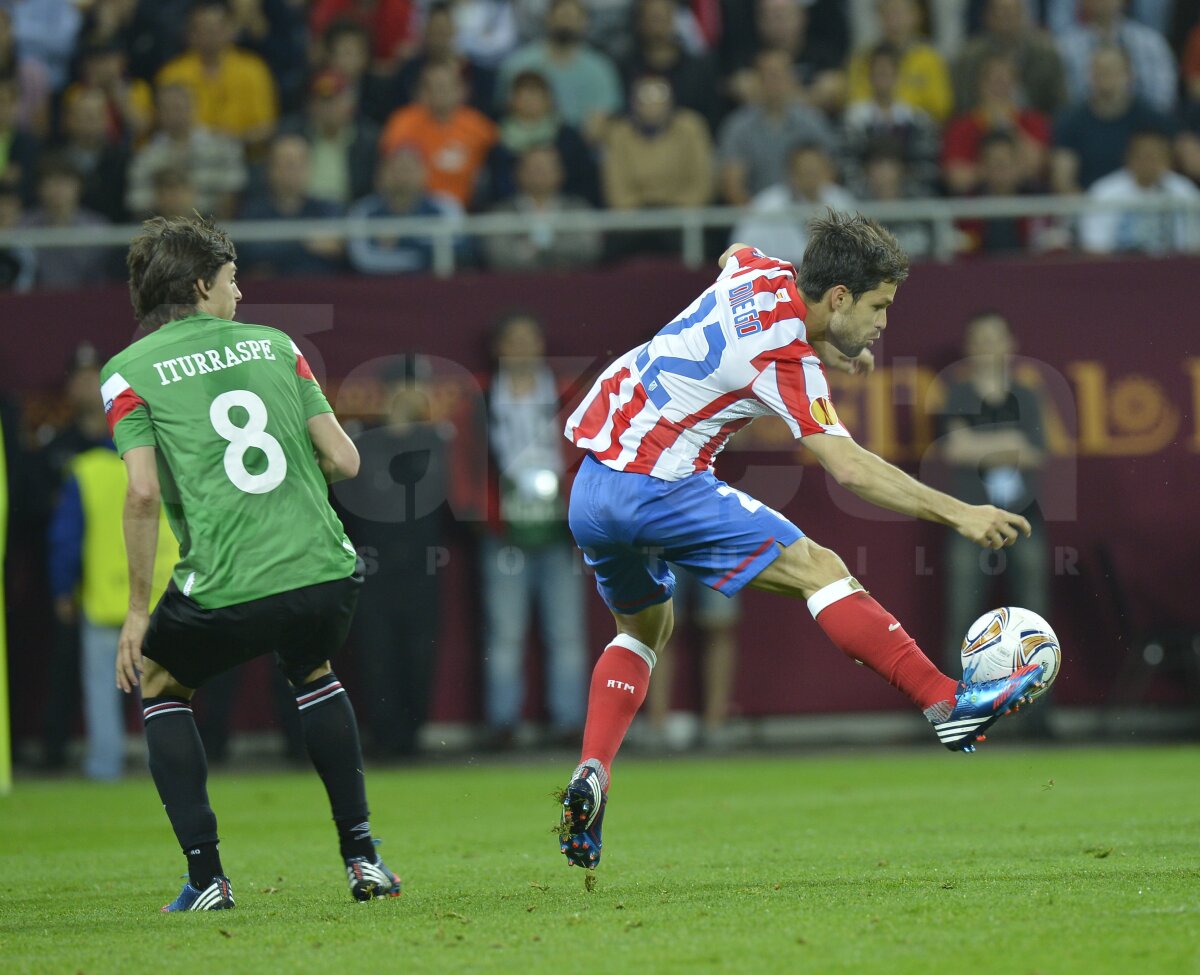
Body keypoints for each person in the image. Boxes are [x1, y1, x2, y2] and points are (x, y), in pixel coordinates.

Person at [556, 211, 1048, 870]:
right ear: (838, 296)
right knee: (821, 568)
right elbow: (848, 467)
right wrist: (958, 511)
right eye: (877, 306)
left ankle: (593, 771)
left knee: (643, 630)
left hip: (591, 490)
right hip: (660, 485)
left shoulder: (758, 271)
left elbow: (733, 251)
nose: (883, 324)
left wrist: (835, 344)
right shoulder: (785, 352)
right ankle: (945, 701)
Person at [103, 214, 400, 910]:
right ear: (203, 284)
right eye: (234, 281)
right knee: (313, 670)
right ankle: (364, 862)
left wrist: (138, 611)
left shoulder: (126, 372)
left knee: (161, 678)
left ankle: (207, 878)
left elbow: (143, 491)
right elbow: (346, 460)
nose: (241, 295)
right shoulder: (276, 345)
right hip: (326, 569)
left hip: (232, 579)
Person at [477, 312, 588, 749]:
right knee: (503, 632)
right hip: (504, 529)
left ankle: (568, 723)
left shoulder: (564, 394)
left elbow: (583, 452)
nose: (522, 348)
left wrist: (580, 512)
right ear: (499, 347)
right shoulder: (483, 397)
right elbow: (469, 460)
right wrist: (484, 514)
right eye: (514, 340)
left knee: (566, 632)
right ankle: (502, 723)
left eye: (530, 340)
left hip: (560, 529)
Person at [936, 312, 1051, 737]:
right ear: (969, 347)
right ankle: (963, 719)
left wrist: (980, 443)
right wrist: (1011, 441)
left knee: (1034, 623)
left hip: (1023, 518)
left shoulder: (1027, 393)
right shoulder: (956, 393)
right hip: (968, 518)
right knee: (964, 618)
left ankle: (1038, 720)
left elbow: (1036, 452)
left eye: (994, 338)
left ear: (1009, 343)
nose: (987, 346)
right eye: (979, 338)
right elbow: (954, 450)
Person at [155, 0, 279, 146]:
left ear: (230, 31)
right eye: (204, 30)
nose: (210, 36)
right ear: (190, 34)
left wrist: (232, 140)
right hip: (186, 155)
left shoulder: (253, 69)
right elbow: (162, 125)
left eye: (216, 29)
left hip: (244, 156)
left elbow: (267, 127)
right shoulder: (172, 74)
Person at [379, 58, 498, 208]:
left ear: (461, 90)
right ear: (420, 91)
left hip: (463, 210)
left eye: (444, 87)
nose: (438, 93)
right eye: (431, 87)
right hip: (414, 207)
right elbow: (390, 168)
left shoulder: (478, 126)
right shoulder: (403, 122)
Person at [730, 142, 855, 266]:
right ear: (791, 173)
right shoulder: (766, 206)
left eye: (817, 171)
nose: (811, 178)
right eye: (805, 172)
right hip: (776, 278)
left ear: (828, 171)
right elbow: (743, 252)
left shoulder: (842, 200)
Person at [1079, 129, 1200, 255]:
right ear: (1128, 157)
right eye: (1143, 156)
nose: (1148, 163)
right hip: (1119, 269)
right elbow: (1094, 247)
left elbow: (1194, 246)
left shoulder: (1184, 191)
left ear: (1168, 160)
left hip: (1176, 268)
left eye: (1155, 156)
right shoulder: (1104, 192)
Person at [483, 144, 601, 271]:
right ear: (517, 173)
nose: (540, 173)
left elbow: (589, 248)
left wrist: (537, 251)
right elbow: (497, 253)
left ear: (561, 173)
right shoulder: (502, 212)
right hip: (517, 284)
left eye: (546, 167)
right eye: (533, 168)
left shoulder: (578, 209)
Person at [1056, 0, 1176, 113]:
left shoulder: (1151, 43)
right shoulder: (1066, 48)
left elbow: (1163, 99)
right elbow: (1064, 101)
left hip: (1143, 127)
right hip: (1084, 127)